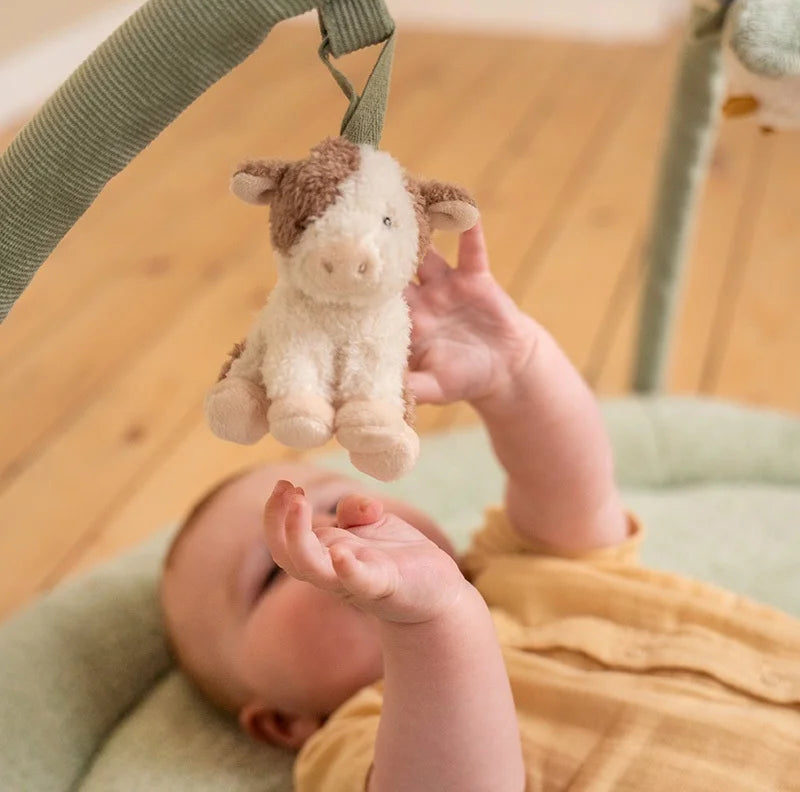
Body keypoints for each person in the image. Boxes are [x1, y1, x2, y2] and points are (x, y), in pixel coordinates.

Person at [160, 224, 800, 792]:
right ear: (282, 722)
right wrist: (433, 621)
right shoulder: (358, 741)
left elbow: (572, 481)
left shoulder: (526, 569)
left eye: (330, 501)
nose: (327, 535)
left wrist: (516, 374)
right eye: (274, 571)